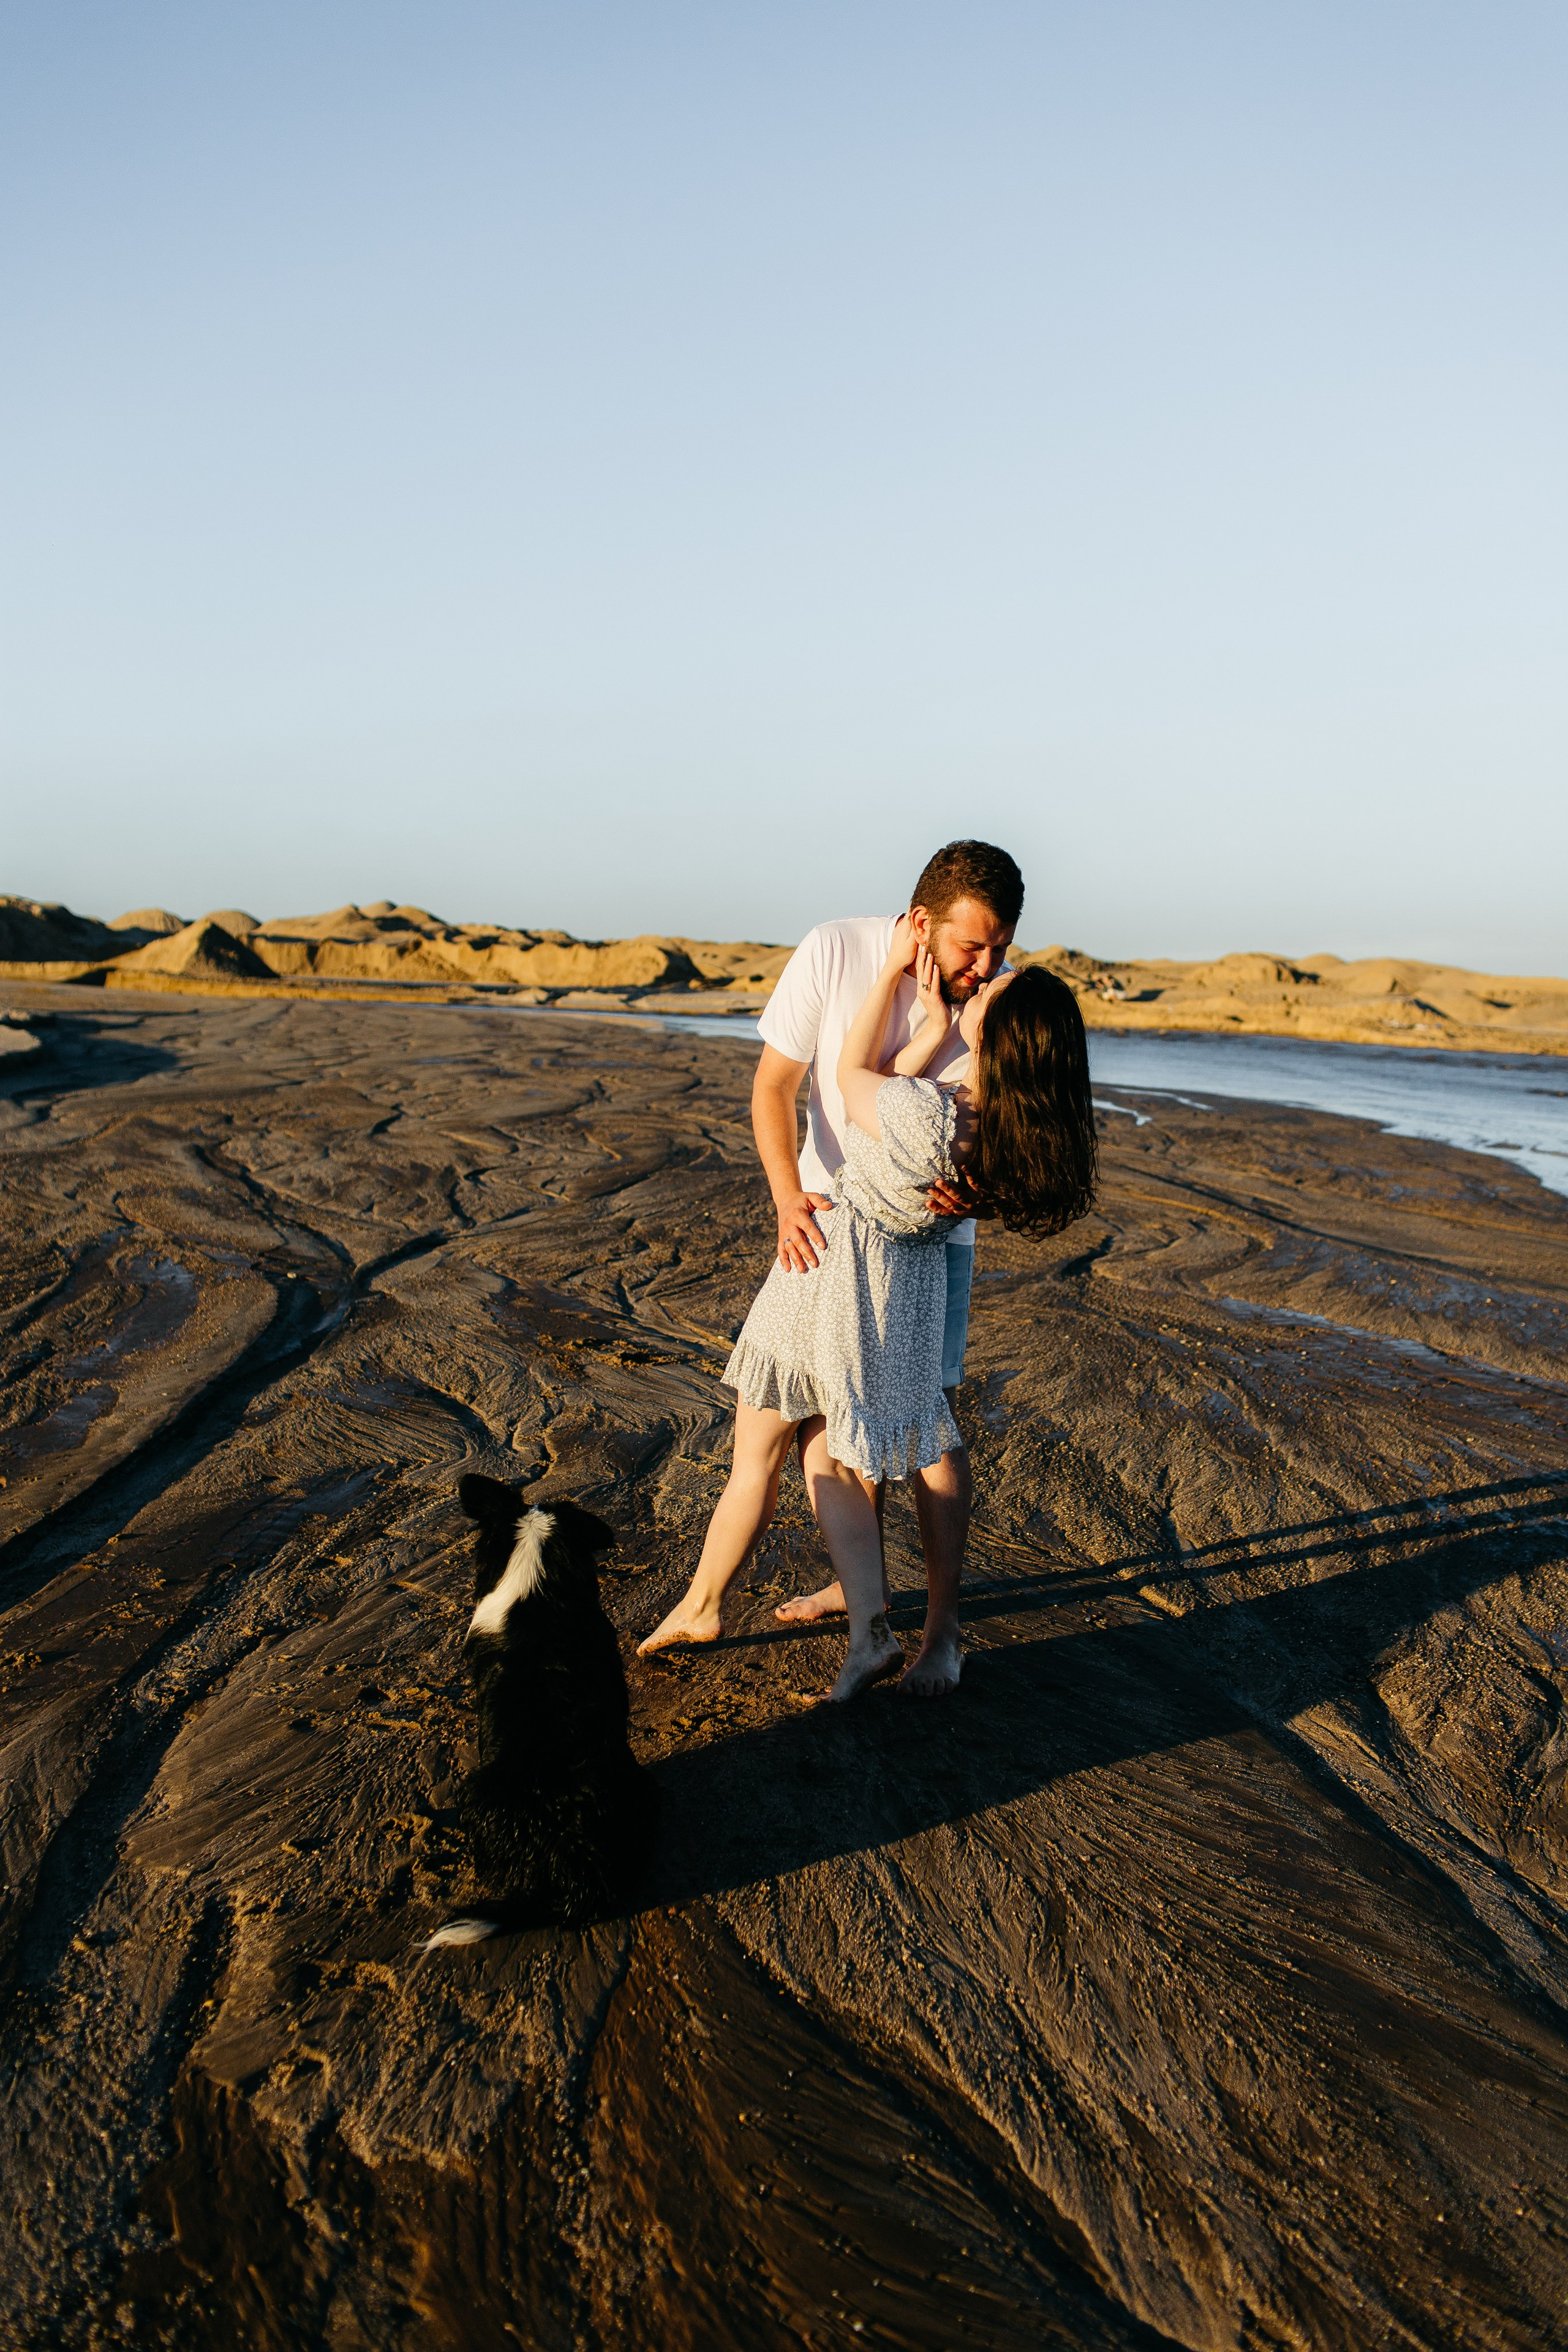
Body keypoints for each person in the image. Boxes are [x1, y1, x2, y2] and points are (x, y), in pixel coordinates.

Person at [637, 908, 1097, 1702]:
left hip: (830, 1271)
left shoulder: (928, 1109)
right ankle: (860, 1620)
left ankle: (717, 1607)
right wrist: (937, 1027)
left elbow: (855, 1079)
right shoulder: (984, 1126)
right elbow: (894, 1089)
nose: (990, 975)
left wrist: (896, 987)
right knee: (837, 1449)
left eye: (997, 967)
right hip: (900, 1282)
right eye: (979, 954)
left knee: (771, 1449)